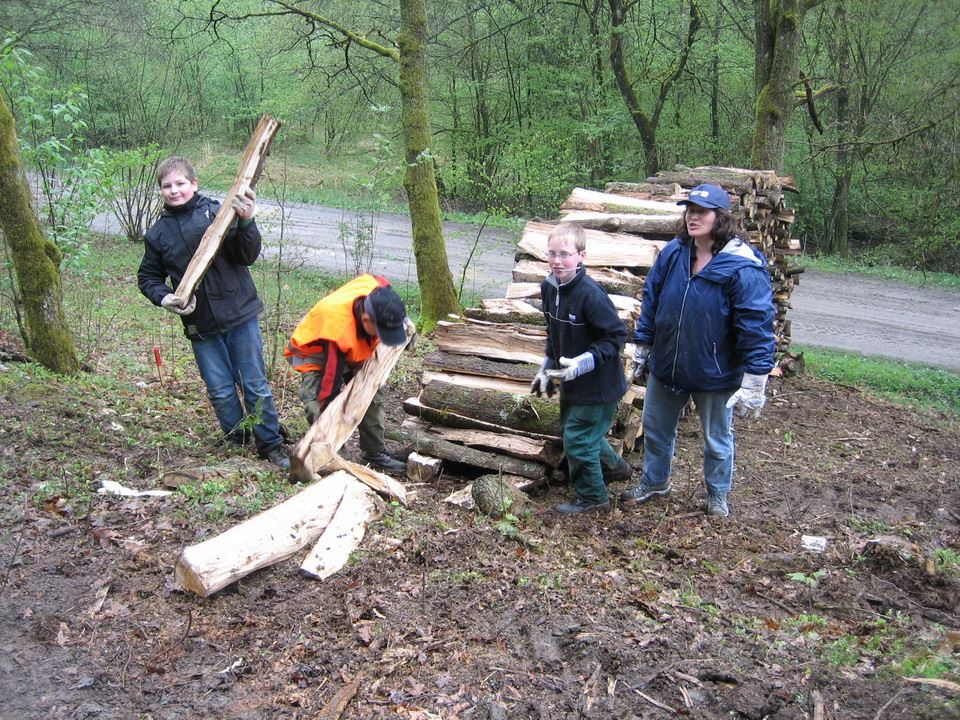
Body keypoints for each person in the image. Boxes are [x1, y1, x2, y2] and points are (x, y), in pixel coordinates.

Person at [620, 183, 776, 517]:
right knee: (656, 429)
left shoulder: (742, 265)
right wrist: (643, 343)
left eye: (701, 212)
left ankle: (717, 494)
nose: (693, 217)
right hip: (668, 362)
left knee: (716, 439)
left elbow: (756, 323)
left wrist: (756, 378)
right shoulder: (675, 252)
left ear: (720, 217)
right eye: (690, 211)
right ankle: (655, 482)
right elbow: (652, 298)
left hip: (715, 371)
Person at [137, 156, 290, 470]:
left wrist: (246, 222)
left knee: (254, 383)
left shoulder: (219, 213)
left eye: (180, 183)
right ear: (161, 190)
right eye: (167, 186)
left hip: (239, 314)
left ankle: (271, 444)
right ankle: (237, 438)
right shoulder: (158, 234)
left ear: (194, 184)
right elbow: (148, 277)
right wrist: (165, 298)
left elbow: (246, 255)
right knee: (220, 389)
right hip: (200, 324)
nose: (174, 190)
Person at [530, 223, 632, 515]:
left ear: (581, 256)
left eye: (565, 254)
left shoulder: (590, 294)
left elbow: (616, 337)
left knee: (578, 439)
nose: (557, 260)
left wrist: (584, 361)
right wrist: (547, 367)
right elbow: (553, 333)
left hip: (598, 385)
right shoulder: (549, 288)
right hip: (570, 381)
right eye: (552, 254)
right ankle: (615, 468)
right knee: (576, 432)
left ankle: (593, 498)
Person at [284, 274, 410, 473]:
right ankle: (337, 460)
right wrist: (332, 413)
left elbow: (385, 290)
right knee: (319, 406)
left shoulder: (377, 290)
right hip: (316, 351)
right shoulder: (338, 330)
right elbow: (329, 387)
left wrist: (401, 325)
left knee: (371, 393)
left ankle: (374, 452)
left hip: (354, 342)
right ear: (366, 319)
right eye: (381, 332)